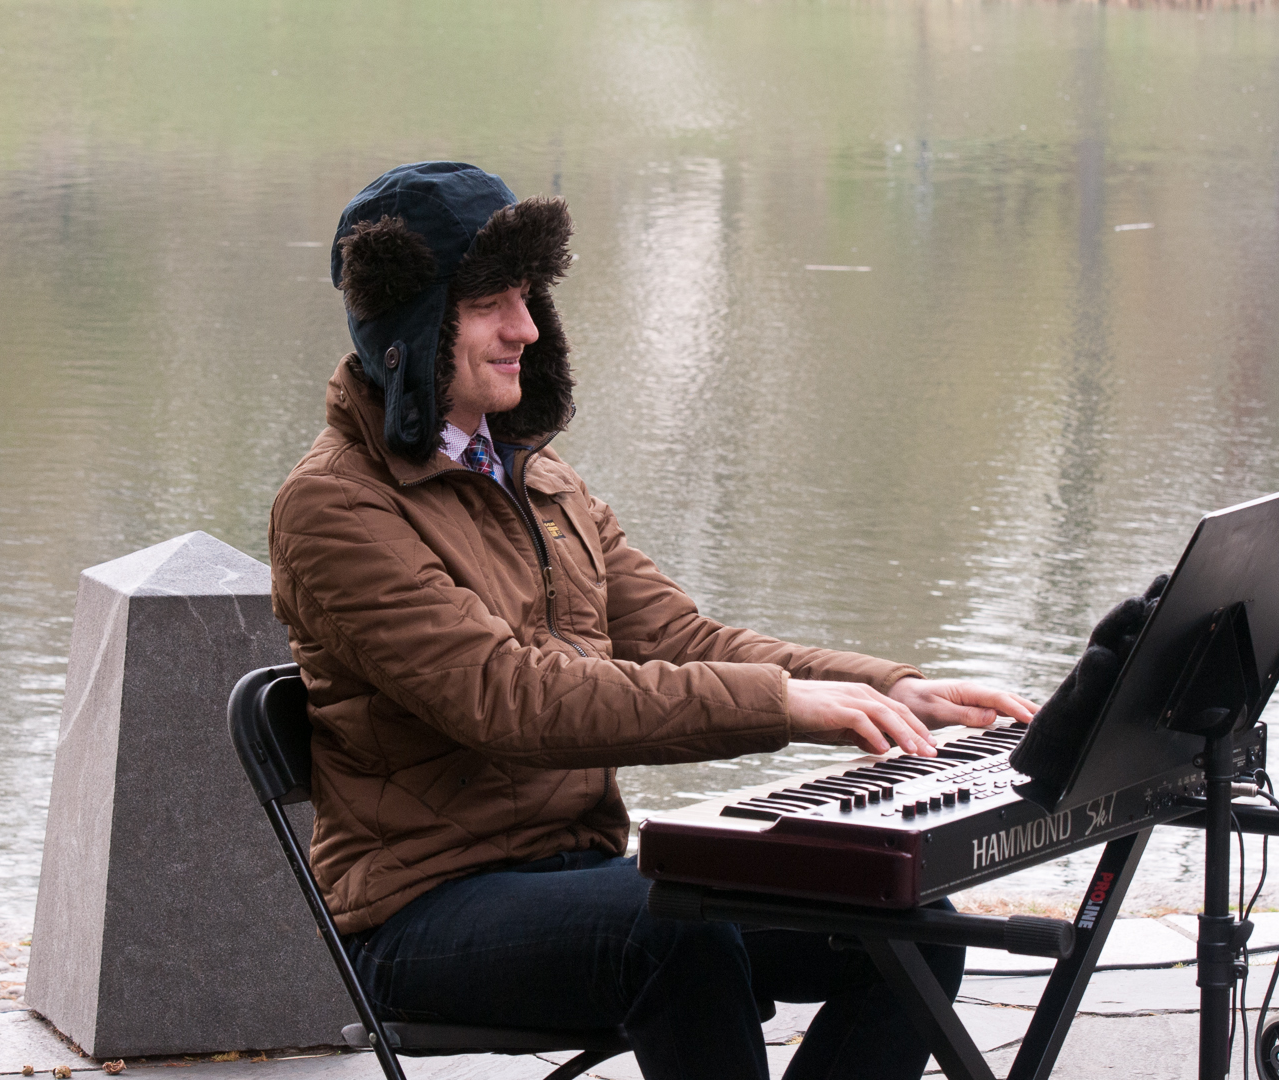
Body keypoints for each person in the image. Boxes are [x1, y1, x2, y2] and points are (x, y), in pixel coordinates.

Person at [268, 161, 1038, 1080]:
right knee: (677, 935)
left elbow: (683, 641)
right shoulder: (334, 508)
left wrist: (887, 686)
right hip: (421, 909)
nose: (526, 328)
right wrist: (781, 707)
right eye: (488, 304)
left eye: (526, 298)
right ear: (407, 327)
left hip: (579, 870)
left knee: (907, 930)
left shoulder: (538, 479)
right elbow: (509, 700)